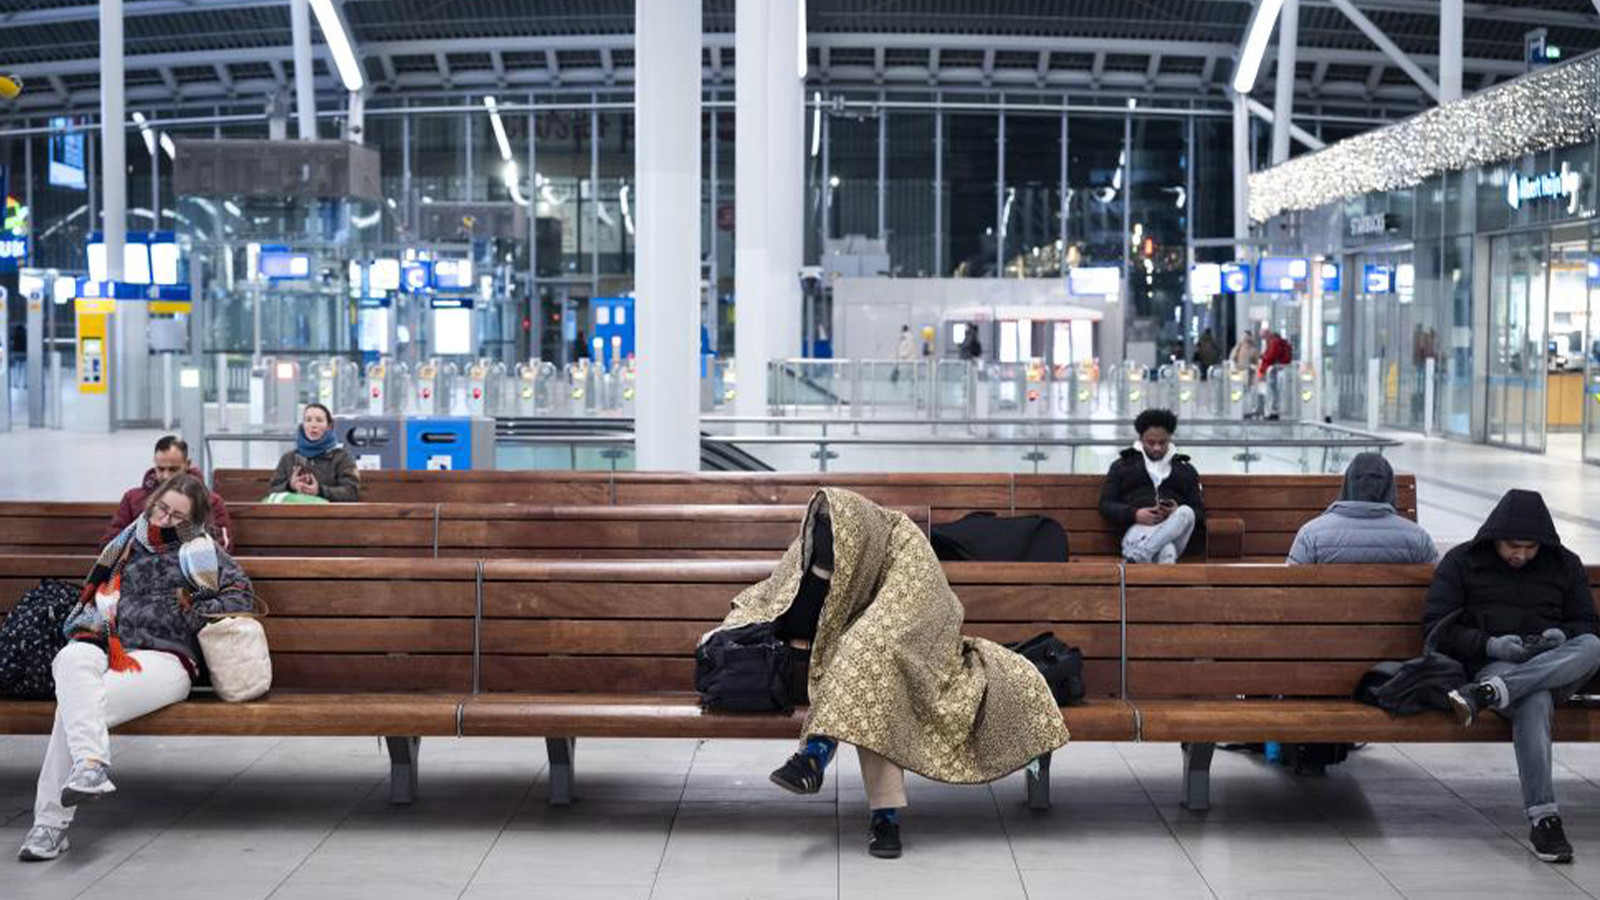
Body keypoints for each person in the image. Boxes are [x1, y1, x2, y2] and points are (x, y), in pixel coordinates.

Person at [711, 489, 1068, 859]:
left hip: (920, 654)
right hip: (855, 667)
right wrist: (820, 575)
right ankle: (884, 816)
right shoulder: (815, 543)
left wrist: (857, 640)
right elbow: (789, 614)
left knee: (873, 663)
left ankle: (818, 753)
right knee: (871, 674)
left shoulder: (906, 546)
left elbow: (912, 621)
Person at [19, 473, 256, 862]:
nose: (164, 519)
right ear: (152, 502)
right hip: (108, 644)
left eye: (177, 516)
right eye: (161, 508)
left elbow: (240, 595)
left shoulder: (200, 549)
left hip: (166, 657)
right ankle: (90, 766)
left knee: (73, 709)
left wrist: (192, 605)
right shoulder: (125, 543)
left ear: (193, 520)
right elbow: (93, 599)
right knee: (71, 658)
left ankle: (49, 825)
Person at [1426, 489, 1600, 865]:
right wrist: (1492, 645)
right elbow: (1439, 630)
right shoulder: (1463, 562)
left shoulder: (1564, 564)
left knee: (1592, 646)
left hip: (1556, 666)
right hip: (1496, 665)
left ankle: (1491, 693)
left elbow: (1588, 625)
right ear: (1495, 538)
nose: (1520, 555)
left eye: (1530, 547)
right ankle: (1544, 819)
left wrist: (1562, 636)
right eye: (1512, 546)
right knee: (1534, 699)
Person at [1286, 453, 1436, 565]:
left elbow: (1290, 584)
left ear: (1347, 485)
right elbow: (1438, 584)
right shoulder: (1418, 538)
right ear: (1390, 488)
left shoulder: (1311, 535)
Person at [1100, 408, 1206, 564]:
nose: (1157, 448)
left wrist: (1175, 512)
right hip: (1137, 533)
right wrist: (1135, 514)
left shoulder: (1185, 470)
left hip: (1174, 532)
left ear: (1170, 438)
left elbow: (1199, 512)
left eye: (1162, 442)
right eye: (1151, 443)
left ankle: (1138, 557)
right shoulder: (1123, 466)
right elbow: (1106, 504)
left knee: (1186, 512)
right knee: (1167, 551)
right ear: (1141, 439)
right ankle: (1146, 556)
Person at [102, 436, 232, 551]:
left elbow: (222, 548)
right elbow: (110, 545)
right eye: (160, 469)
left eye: (173, 469)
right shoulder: (132, 498)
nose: (166, 476)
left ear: (187, 464)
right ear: (154, 463)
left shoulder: (211, 501)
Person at [267, 403, 361, 502]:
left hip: (329, 511)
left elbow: (352, 492)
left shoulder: (342, 457)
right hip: (293, 511)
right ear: (303, 425)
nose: (313, 425)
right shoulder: (289, 458)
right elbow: (272, 491)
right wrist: (290, 485)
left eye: (319, 420)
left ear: (329, 426)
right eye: (308, 420)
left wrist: (320, 491)